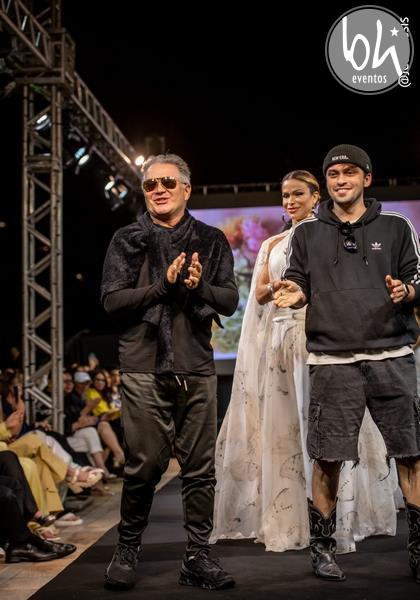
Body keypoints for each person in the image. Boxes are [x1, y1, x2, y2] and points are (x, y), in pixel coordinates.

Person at [212, 170, 397, 554]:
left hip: (323, 337)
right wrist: (276, 287)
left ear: (315, 196)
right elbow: (259, 293)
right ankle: (290, 514)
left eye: (298, 194)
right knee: (286, 426)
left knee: (328, 426)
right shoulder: (273, 243)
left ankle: (337, 518)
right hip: (283, 341)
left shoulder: (330, 235)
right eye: (285, 196)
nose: (290, 202)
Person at [275, 144, 420, 583]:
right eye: (334, 174)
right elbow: (297, 279)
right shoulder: (306, 233)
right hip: (331, 360)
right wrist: (296, 293)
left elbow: (416, 276)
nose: (341, 180)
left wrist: (408, 292)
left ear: (366, 178)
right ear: (327, 181)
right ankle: (322, 550)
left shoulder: (397, 225)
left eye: (350, 172)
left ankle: (418, 549)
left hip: (391, 354)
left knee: (412, 454)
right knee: (327, 458)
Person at [101, 153, 239, 591]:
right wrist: (162, 287)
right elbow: (111, 301)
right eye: (150, 184)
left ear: (186, 189)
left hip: (195, 365)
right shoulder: (127, 239)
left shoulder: (210, 239)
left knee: (200, 469)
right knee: (143, 466)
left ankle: (198, 555)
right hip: (143, 365)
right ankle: (127, 549)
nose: (158, 189)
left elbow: (230, 300)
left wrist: (198, 286)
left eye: (167, 182)